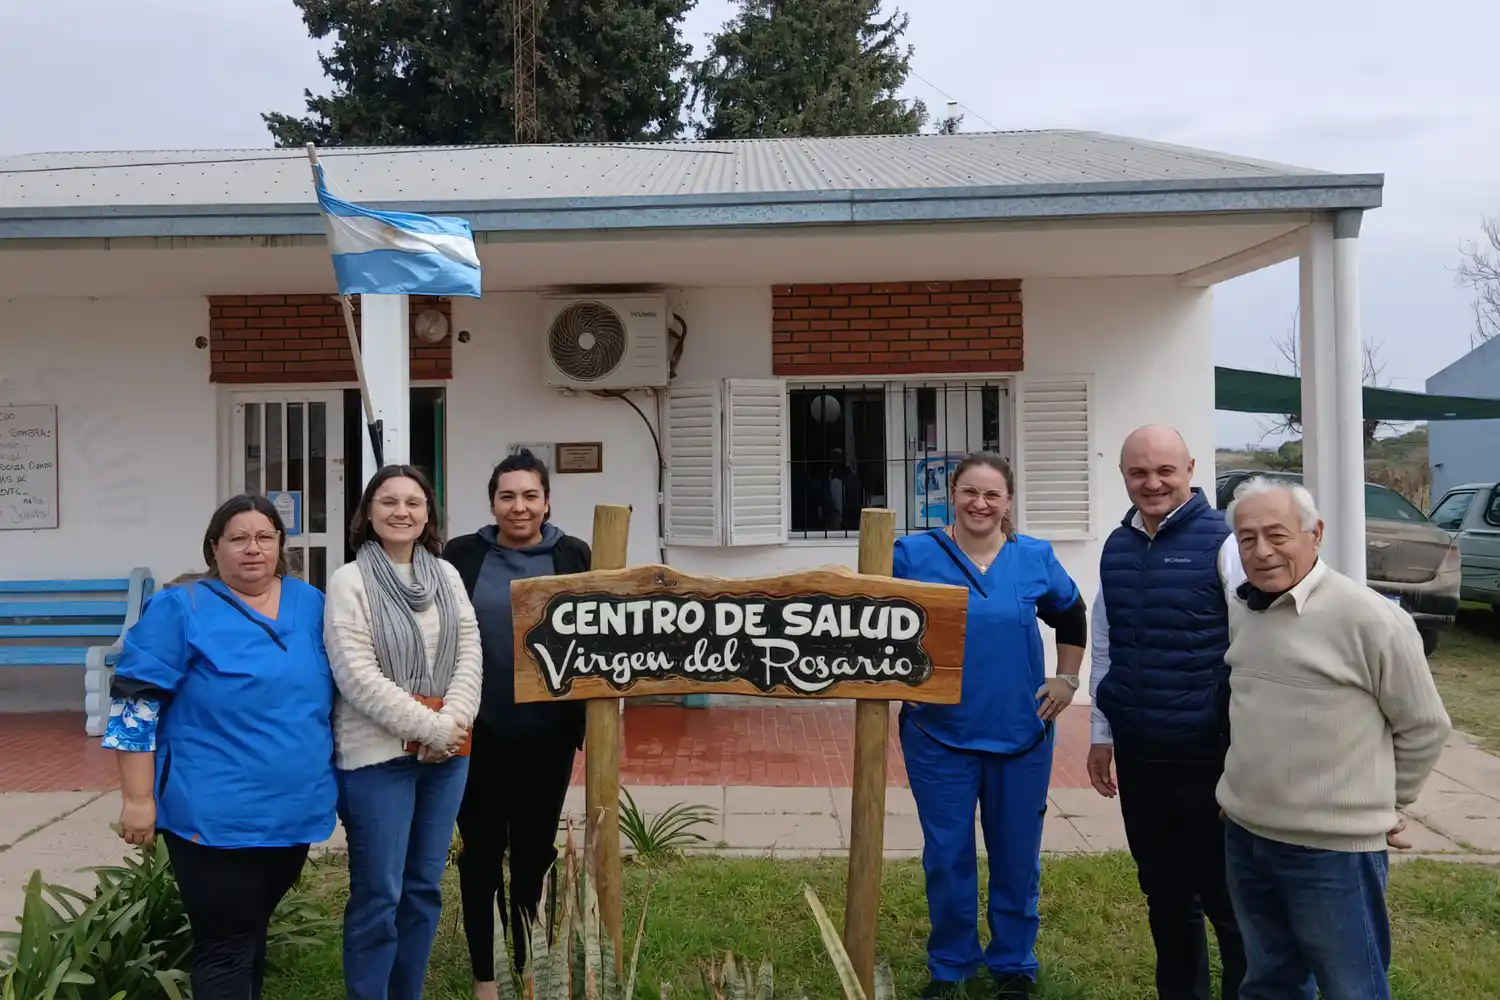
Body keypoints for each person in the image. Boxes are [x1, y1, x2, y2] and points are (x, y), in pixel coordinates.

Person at [1218, 477, 1451, 1000]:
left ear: (1315, 534)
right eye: (1247, 538)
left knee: (1353, 987)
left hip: (1332, 852)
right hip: (1247, 838)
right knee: (1269, 981)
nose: (1262, 551)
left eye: (1277, 535)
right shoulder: (1245, 610)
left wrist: (1387, 802)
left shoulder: (1371, 618)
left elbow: (1424, 725)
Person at [104, 494, 337, 999]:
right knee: (226, 943)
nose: (252, 549)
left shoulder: (311, 602)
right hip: (212, 815)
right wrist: (138, 800)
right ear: (215, 548)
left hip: (292, 811)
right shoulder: (180, 608)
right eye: (238, 538)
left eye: (264, 537)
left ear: (280, 545)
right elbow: (135, 705)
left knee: (249, 933)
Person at [893, 452, 1088, 1000]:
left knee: (1016, 854)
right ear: (951, 494)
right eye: (970, 492)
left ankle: (1013, 966)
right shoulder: (911, 555)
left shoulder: (1033, 558)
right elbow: (873, 620)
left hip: (1021, 734)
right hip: (938, 735)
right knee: (947, 855)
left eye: (992, 495)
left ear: (1007, 502)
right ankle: (951, 965)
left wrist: (1066, 680)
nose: (980, 503)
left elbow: (1071, 614)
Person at [1086, 425, 1247, 1000]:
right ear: (1124, 476)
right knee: (1165, 893)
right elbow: (1106, 643)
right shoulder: (1117, 545)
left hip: (1210, 754)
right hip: (1140, 754)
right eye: (1138, 472)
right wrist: (1101, 733)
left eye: (1164, 471)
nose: (1152, 483)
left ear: (1190, 469)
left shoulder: (1226, 543)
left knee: (1226, 900)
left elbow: (1253, 645)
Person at [324, 465, 484, 1000]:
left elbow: (469, 654)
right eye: (388, 501)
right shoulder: (349, 581)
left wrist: (451, 726)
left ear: (428, 514)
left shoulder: (447, 575)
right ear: (367, 513)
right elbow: (356, 675)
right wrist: (435, 728)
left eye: (413, 502)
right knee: (379, 892)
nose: (401, 512)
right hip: (376, 759)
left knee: (422, 889)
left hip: (445, 758)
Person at [444, 449, 592, 997]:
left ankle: (529, 969)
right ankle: (486, 976)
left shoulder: (575, 555)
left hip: (547, 738)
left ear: (547, 500)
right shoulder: (462, 556)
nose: (519, 506)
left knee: (533, 857)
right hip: (475, 735)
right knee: (480, 855)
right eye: (508, 495)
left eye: (530, 495)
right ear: (493, 503)